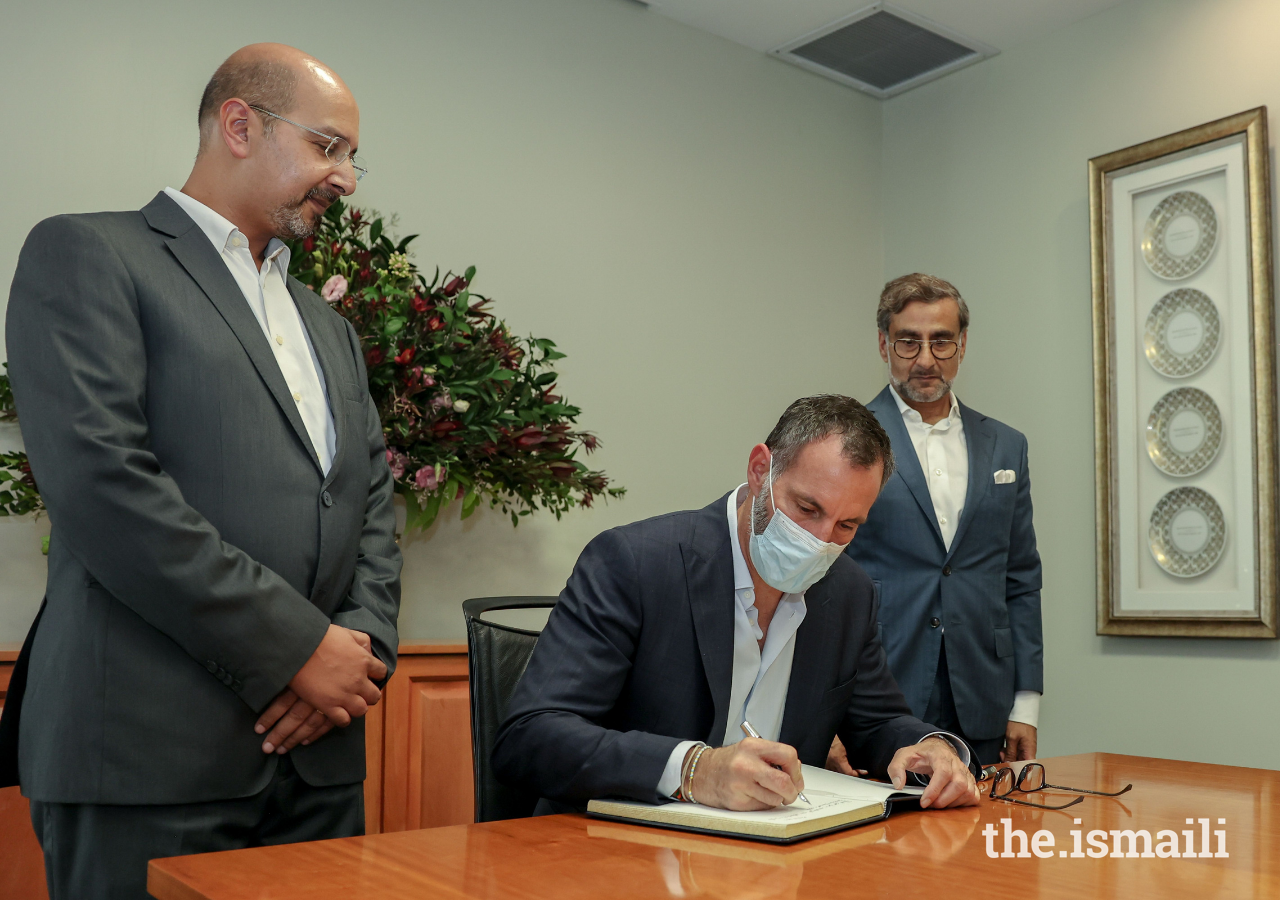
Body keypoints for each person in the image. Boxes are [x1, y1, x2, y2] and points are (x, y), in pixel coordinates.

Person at [3, 44, 401, 899]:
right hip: (147, 759)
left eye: (352, 157)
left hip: (320, 762)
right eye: (328, 147)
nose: (347, 179)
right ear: (239, 125)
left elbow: (371, 503)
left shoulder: (329, 328)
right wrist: (298, 651)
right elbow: (104, 489)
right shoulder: (89, 255)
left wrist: (356, 653)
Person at [492, 395, 979, 813]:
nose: (820, 541)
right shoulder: (635, 563)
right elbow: (531, 736)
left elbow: (877, 722)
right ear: (760, 469)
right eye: (807, 509)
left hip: (776, 859)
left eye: (847, 525)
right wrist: (693, 769)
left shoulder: (848, 592)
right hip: (614, 854)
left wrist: (929, 747)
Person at [839, 273, 1042, 768]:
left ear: (963, 344)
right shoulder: (844, 440)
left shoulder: (1007, 445)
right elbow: (818, 583)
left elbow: (1021, 578)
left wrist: (1026, 705)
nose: (925, 359)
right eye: (909, 342)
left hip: (984, 695)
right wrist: (826, 714)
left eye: (941, 341)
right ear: (884, 344)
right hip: (881, 692)